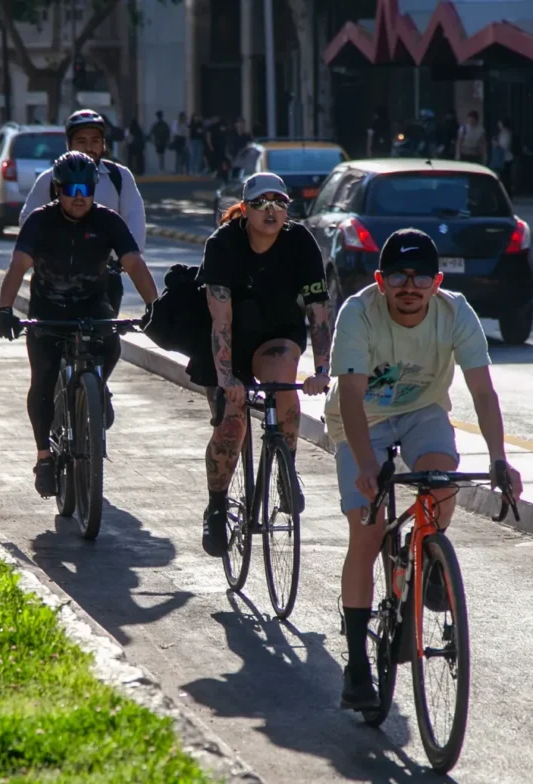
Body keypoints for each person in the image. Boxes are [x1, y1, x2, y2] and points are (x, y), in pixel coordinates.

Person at [325, 228, 522, 711]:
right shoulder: (357, 313)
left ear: (437, 282)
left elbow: (483, 392)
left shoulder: (456, 313)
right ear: (380, 280)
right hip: (361, 420)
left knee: (441, 482)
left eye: (420, 278)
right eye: (398, 277)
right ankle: (357, 665)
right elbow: (350, 396)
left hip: (422, 412)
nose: (409, 287)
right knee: (367, 534)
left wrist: (499, 458)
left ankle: (427, 561)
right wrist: (366, 466)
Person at [0, 151, 159, 498]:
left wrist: (155, 307)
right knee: (43, 378)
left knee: (112, 345)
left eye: (86, 188)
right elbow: (18, 266)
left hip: (91, 303)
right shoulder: (39, 221)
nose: (79, 196)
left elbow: (134, 264)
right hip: (48, 306)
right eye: (71, 189)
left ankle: (96, 390)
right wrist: (4, 309)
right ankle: (44, 457)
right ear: (58, 189)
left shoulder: (108, 221)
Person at [191, 172, 332, 556]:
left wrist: (322, 370)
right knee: (232, 422)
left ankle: (286, 470)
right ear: (245, 208)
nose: (270, 210)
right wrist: (225, 378)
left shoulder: (300, 241)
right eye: (260, 203)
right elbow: (221, 321)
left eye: (279, 203)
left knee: (283, 380)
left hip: (277, 334)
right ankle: (216, 506)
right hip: (230, 342)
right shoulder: (223, 244)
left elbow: (318, 309)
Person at [21, 109, 147, 315]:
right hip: (54, 282)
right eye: (81, 141)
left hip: (103, 279)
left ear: (104, 144)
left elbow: (135, 223)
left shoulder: (120, 177)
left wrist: (118, 260)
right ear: (68, 145)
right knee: (44, 329)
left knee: (106, 331)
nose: (89, 147)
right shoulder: (50, 179)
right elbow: (27, 222)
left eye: (95, 141)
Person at [490, 118, 514, 197]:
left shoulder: (507, 133)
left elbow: (504, 145)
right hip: (501, 158)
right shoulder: (501, 133)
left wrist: (496, 143)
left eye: (500, 124)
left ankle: (507, 194)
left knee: (506, 178)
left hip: (506, 159)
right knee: (502, 177)